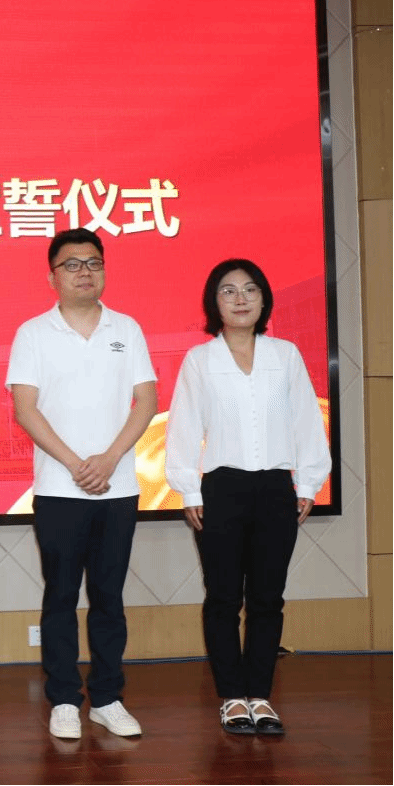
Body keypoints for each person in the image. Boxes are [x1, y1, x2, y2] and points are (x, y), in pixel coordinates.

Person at [164, 259, 330, 736]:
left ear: (263, 300)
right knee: (222, 598)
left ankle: (260, 696)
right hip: (221, 489)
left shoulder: (285, 354)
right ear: (213, 303)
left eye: (250, 289)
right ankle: (232, 698)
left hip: (276, 488)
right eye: (228, 291)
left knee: (267, 599)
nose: (240, 299)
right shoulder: (201, 359)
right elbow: (184, 425)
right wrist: (188, 487)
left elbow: (305, 419)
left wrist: (308, 484)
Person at [6, 228, 157, 740]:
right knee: (61, 598)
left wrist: (109, 460)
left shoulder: (126, 328)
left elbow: (147, 400)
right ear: (52, 276)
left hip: (118, 487)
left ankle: (108, 698)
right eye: (71, 264)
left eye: (93, 262)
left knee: (109, 597)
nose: (84, 272)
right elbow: (26, 409)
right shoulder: (33, 333)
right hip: (58, 489)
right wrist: (76, 464)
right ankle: (65, 700)